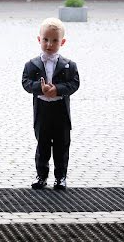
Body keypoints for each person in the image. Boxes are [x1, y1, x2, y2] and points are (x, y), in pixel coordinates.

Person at [22, 17, 80, 190]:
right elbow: (25, 82)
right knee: (43, 144)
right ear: (39, 39)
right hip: (42, 111)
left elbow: (74, 84)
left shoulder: (69, 65)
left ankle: (60, 177)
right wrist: (40, 89)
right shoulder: (31, 65)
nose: (49, 44)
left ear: (62, 42)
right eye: (46, 40)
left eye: (54, 41)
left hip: (60, 111)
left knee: (62, 145)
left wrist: (57, 89)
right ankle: (41, 176)